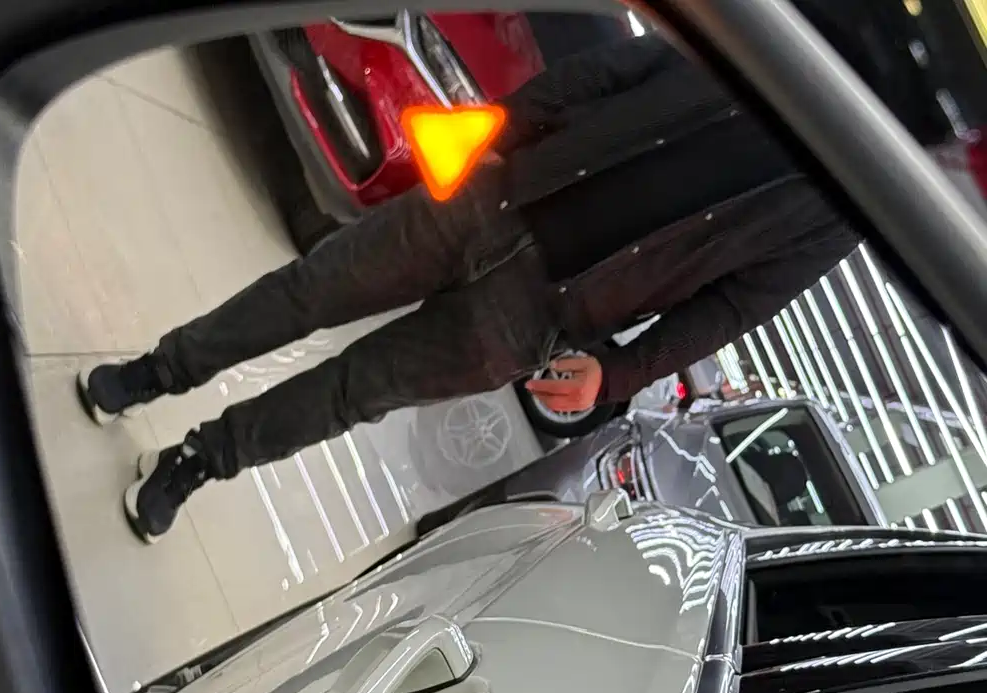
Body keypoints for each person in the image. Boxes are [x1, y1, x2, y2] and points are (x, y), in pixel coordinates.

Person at [78, 32, 859, 544]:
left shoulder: (842, 212)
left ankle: (200, 459)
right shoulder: (764, 53)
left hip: (537, 316)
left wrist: (617, 374)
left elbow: (731, 309)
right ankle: (159, 371)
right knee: (309, 290)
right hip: (492, 202)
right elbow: (609, 73)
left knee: (355, 391)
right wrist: (500, 130)